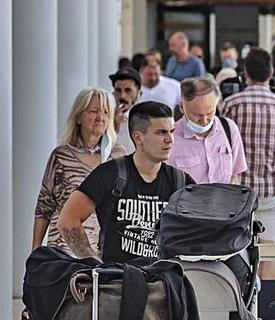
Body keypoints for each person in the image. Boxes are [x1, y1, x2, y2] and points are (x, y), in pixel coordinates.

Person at [56, 102, 193, 262]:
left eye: (171, 132)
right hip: (117, 281)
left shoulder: (180, 181)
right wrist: (92, 263)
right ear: (138, 137)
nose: (169, 140)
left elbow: (203, 228)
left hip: (164, 281)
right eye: (161, 132)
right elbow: (67, 221)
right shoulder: (110, 174)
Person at [223, 48, 275, 280]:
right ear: (271, 71)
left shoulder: (231, 104)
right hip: (273, 189)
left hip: (239, 192)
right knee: (271, 250)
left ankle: (244, 307)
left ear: (245, 72)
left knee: (238, 250)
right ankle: (267, 307)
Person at [33, 88, 127, 253]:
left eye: (105, 112)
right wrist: (35, 249)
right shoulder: (61, 156)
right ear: (78, 117)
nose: (100, 117)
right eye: (94, 111)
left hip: (101, 252)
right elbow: (44, 205)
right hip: (63, 250)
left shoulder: (118, 156)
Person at [168, 77, 247, 185]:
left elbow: (236, 174)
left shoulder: (229, 128)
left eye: (210, 113)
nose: (204, 120)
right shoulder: (169, 138)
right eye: (197, 115)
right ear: (182, 107)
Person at [109, 67, 141, 154]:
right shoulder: (104, 118)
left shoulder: (146, 119)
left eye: (128, 91)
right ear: (113, 93)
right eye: (118, 90)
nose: (122, 96)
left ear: (139, 94)